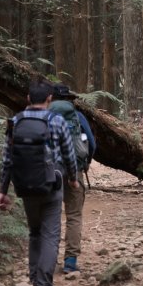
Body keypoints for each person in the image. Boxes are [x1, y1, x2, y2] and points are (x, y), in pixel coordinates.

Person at [0, 80, 79, 286]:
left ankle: (34, 280)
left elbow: (7, 159)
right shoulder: (57, 121)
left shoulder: (15, 121)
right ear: (49, 99)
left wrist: (3, 190)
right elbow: (69, 154)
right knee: (51, 235)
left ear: (28, 99)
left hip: (25, 185)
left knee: (34, 232)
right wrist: (73, 179)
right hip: (53, 184)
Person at [49, 83, 96, 273]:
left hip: (49, 172)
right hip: (74, 171)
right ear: (69, 99)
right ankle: (70, 262)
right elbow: (91, 143)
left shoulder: (44, 116)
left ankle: (48, 260)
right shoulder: (78, 117)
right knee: (74, 216)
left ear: (51, 98)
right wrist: (85, 163)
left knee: (50, 217)